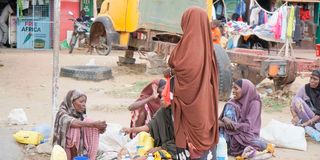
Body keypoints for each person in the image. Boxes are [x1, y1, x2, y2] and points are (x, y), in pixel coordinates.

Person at [168, 7, 219, 159]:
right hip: (204, 103)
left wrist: (172, 72)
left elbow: (183, 70)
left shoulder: (185, 47)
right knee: (204, 134)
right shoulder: (209, 48)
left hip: (188, 107)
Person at [53, 90, 107, 160]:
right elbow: (70, 122)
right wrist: (93, 124)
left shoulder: (81, 115)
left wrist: (99, 129)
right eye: (81, 102)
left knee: (89, 122)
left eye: (85, 102)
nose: (84, 104)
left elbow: (88, 126)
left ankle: (88, 157)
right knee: (75, 129)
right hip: (63, 146)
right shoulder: (62, 112)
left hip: (80, 149)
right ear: (71, 102)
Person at [219, 79, 267, 156]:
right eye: (233, 88)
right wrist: (225, 119)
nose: (233, 91)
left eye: (236, 88)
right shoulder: (233, 101)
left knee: (261, 144)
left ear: (245, 90)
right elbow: (218, 122)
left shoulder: (255, 103)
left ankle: (228, 145)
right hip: (230, 133)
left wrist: (230, 124)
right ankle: (226, 143)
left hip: (245, 135)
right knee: (230, 105)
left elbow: (248, 126)